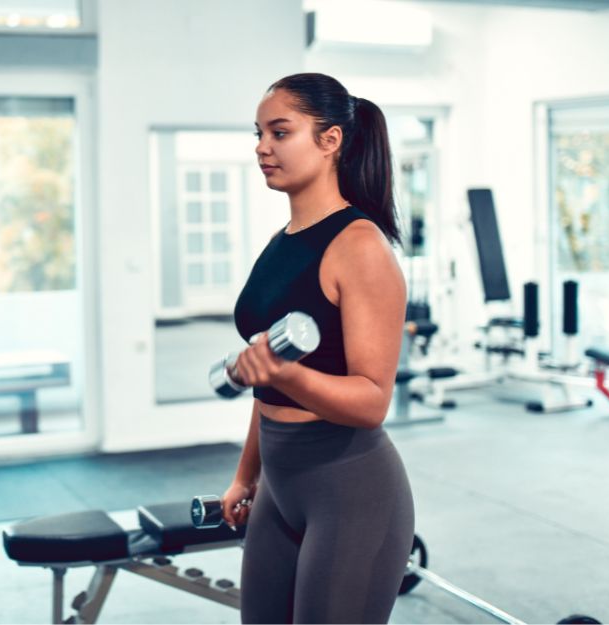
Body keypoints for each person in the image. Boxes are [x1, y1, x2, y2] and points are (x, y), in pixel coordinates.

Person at [221, 73, 415, 624]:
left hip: (350, 490)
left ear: (330, 141)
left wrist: (284, 372)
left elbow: (372, 401)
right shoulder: (282, 242)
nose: (262, 147)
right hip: (280, 486)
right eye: (258, 133)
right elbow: (265, 375)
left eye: (280, 133)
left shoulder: (360, 247)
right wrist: (245, 474)